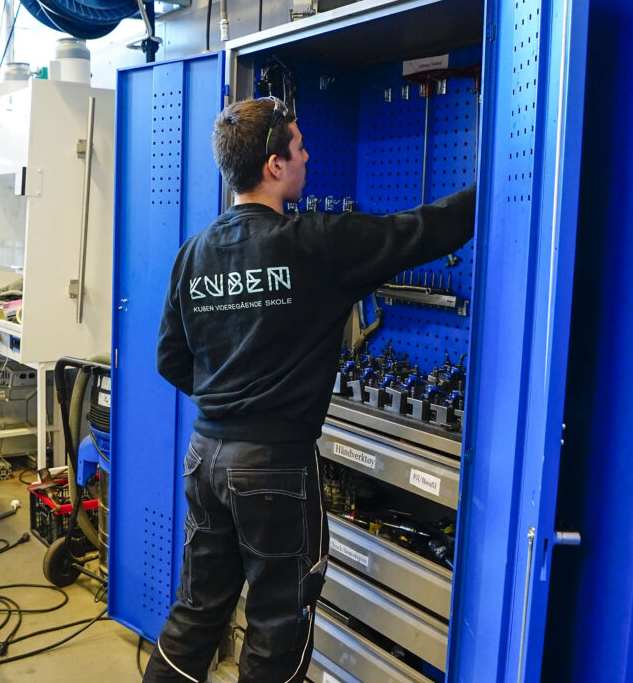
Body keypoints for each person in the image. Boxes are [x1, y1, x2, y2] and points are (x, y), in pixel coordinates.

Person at [144, 96, 476, 682]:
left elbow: (170, 358)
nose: (307, 157)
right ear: (274, 164)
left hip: (206, 457)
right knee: (278, 626)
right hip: (274, 465)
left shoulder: (192, 254)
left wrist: (231, 398)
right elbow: (423, 231)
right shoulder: (316, 243)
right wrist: (499, 182)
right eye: (299, 147)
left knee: (198, 610)